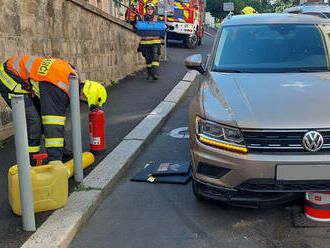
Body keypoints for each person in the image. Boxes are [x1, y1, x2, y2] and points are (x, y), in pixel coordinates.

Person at [0, 56, 107, 165]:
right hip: (10, 77)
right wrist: (56, 162)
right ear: (84, 95)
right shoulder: (58, 91)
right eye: (85, 104)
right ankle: (30, 161)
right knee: (34, 121)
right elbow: (53, 127)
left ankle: (61, 153)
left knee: (44, 117)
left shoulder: (73, 79)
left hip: (22, 74)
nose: (82, 106)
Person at [138, 2, 161, 80]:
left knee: (155, 57)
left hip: (155, 42)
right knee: (148, 59)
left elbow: (162, 26)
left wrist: (165, 27)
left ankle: (155, 74)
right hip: (145, 43)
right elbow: (138, 27)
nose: (149, 11)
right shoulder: (141, 18)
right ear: (146, 10)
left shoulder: (157, 18)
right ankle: (149, 73)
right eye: (148, 9)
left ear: (153, 10)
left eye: (151, 9)